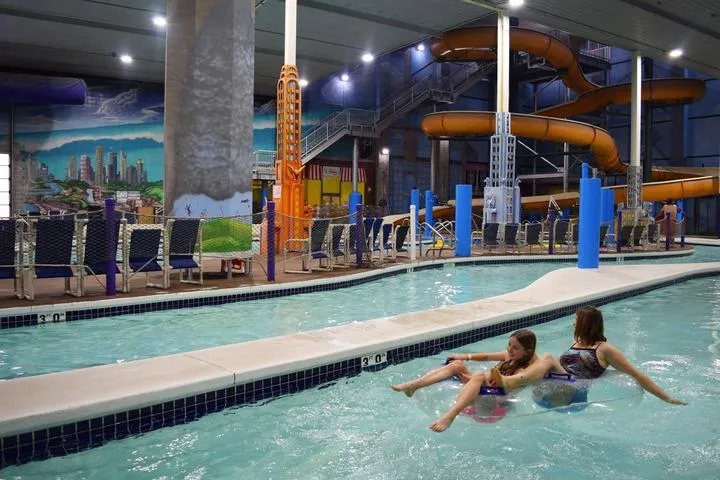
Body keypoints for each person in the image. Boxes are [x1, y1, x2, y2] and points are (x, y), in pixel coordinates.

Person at [490, 306, 687, 405]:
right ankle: (500, 397)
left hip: (576, 391)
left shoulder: (605, 349)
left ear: (587, 324)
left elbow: (637, 375)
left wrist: (667, 398)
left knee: (548, 358)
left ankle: (508, 382)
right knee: (539, 362)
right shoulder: (576, 344)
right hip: (558, 385)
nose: (574, 324)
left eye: (577, 320)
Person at [391, 329, 560, 432]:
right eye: (509, 345)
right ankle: (412, 386)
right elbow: (486, 356)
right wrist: (465, 356)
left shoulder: (528, 369)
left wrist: (475, 378)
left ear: (528, 351)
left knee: (479, 375)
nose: (510, 349)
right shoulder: (510, 355)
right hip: (487, 388)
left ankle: (450, 416)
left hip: (497, 402)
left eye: (515, 348)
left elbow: (504, 384)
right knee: (458, 364)